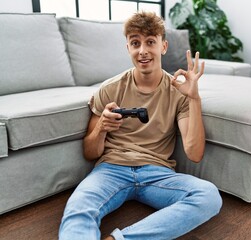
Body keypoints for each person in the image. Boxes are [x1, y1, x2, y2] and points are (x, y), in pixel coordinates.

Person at [59, 11, 222, 240]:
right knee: (78, 209)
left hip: (157, 173)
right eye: (135, 43)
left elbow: (194, 154)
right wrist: (102, 127)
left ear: (163, 46)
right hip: (111, 169)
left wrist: (194, 98)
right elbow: (89, 152)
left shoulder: (179, 92)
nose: (143, 50)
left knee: (209, 196)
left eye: (150, 42)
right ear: (128, 48)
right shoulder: (109, 89)